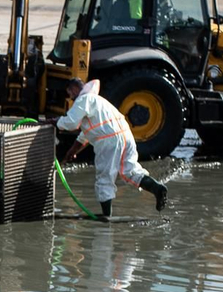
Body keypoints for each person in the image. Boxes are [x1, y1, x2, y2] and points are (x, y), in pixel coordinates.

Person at [49, 78, 169, 218]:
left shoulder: (83, 100)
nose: (69, 96)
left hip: (109, 142)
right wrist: (73, 151)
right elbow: (86, 133)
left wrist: (54, 121)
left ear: (74, 89)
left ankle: (106, 215)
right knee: (131, 171)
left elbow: (70, 123)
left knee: (104, 178)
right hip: (126, 136)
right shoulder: (99, 101)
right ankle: (157, 188)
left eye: (69, 92)